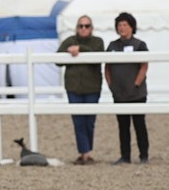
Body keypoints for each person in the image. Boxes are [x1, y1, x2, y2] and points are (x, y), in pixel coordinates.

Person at [56, 15, 104, 164]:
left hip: (92, 88)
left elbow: (98, 57)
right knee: (78, 121)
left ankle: (86, 151)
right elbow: (57, 60)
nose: (83, 29)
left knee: (90, 121)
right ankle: (85, 153)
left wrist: (80, 50)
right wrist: (68, 54)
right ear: (76, 28)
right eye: (81, 26)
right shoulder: (69, 41)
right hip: (73, 88)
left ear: (92, 28)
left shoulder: (98, 42)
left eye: (86, 26)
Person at [105, 12, 150, 164]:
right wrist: (111, 85)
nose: (122, 28)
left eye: (125, 25)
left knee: (139, 125)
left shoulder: (139, 45)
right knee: (123, 126)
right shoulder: (112, 46)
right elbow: (107, 67)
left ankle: (144, 155)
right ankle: (125, 156)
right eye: (119, 25)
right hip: (119, 93)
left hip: (136, 93)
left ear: (132, 27)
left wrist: (136, 84)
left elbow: (144, 66)